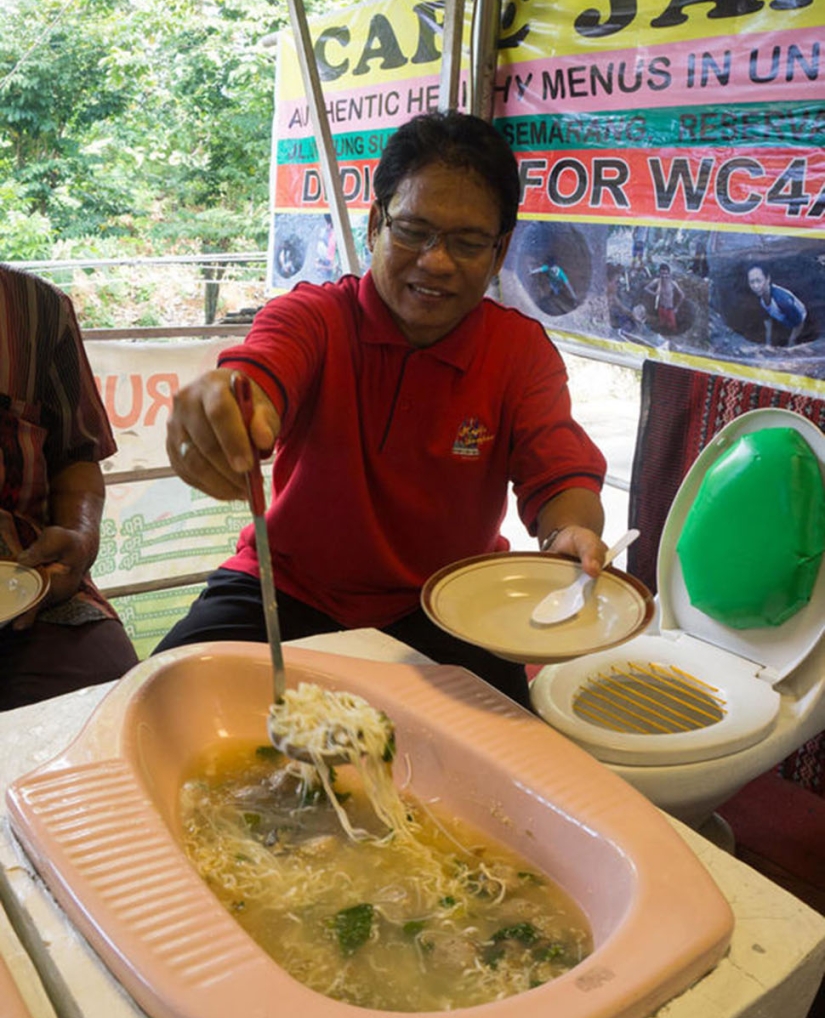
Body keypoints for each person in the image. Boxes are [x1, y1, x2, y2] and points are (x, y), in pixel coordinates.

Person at [156, 112, 608, 707]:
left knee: (516, 746)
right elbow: (258, 376)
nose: (436, 261)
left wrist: (571, 532)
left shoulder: (519, 352)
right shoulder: (314, 318)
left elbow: (561, 476)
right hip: (286, 588)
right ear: (376, 225)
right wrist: (231, 406)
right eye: (414, 231)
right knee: (158, 695)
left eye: (468, 242)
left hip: (449, 605)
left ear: (499, 252)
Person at [0, 266, 139, 710]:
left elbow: (76, 457)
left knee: (108, 700)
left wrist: (79, 537)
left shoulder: (37, 309)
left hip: (25, 582)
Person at [746, 263, 807, 347]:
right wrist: (768, 343)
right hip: (782, 319)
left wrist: (791, 342)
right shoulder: (760, 295)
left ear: (768, 279)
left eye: (759, 281)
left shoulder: (782, 301)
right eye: (752, 282)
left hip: (800, 321)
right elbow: (767, 320)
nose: (755, 286)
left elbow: (799, 322)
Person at [644, 263, 684, 333]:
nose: (664, 276)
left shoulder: (672, 283)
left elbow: (682, 295)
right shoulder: (657, 281)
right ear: (659, 273)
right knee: (662, 324)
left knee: (673, 327)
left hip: (670, 309)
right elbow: (646, 288)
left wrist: (677, 307)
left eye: (666, 274)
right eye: (662, 273)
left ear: (669, 274)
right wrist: (654, 294)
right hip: (661, 308)